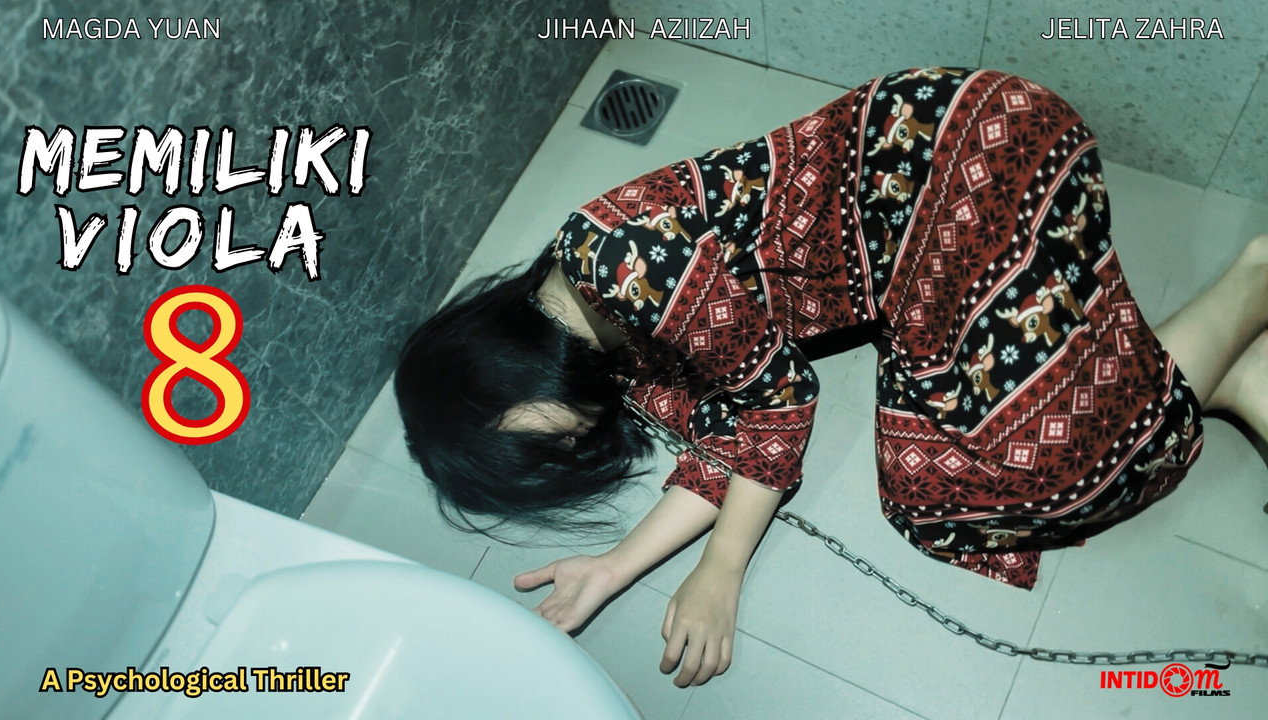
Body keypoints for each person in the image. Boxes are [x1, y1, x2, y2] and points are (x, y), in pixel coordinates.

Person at [395, 67, 1268, 687]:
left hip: (969, 162)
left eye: (521, 442)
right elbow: (730, 438)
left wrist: (723, 570)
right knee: (936, 474)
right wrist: (614, 569)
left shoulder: (627, 272)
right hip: (925, 198)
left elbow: (777, 409)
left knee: (1014, 470)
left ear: (500, 382)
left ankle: (1251, 282)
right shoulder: (584, 317)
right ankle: (1232, 379)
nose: (556, 449)